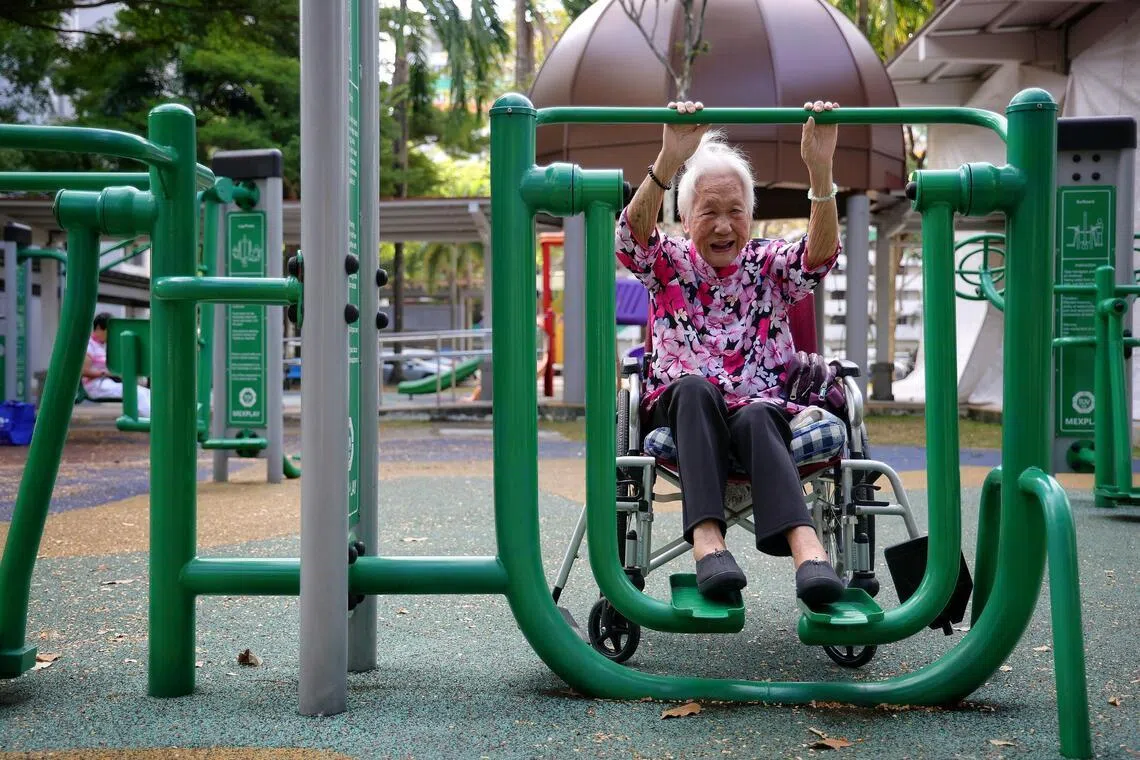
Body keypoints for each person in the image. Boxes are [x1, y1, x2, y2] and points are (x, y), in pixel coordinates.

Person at [616, 99, 845, 607]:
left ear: (751, 216)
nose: (724, 226)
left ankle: (808, 552)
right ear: (685, 216)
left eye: (735, 211)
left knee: (762, 414)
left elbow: (819, 255)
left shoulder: (767, 262)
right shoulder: (669, 260)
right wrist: (668, 159)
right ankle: (707, 542)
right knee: (697, 389)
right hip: (682, 405)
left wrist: (821, 171)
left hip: (756, 409)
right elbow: (631, 240)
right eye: (709, 212)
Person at [81, 312, 151, 417]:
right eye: (109, 331)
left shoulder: (103, 345)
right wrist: (108, 374)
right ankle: (151, 420)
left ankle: (151, 418)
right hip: (95, 385)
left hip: (107, 381)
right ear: (99, 328)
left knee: (146, 392)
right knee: (137, 392)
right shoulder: (90, 345)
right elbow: (84, 371)